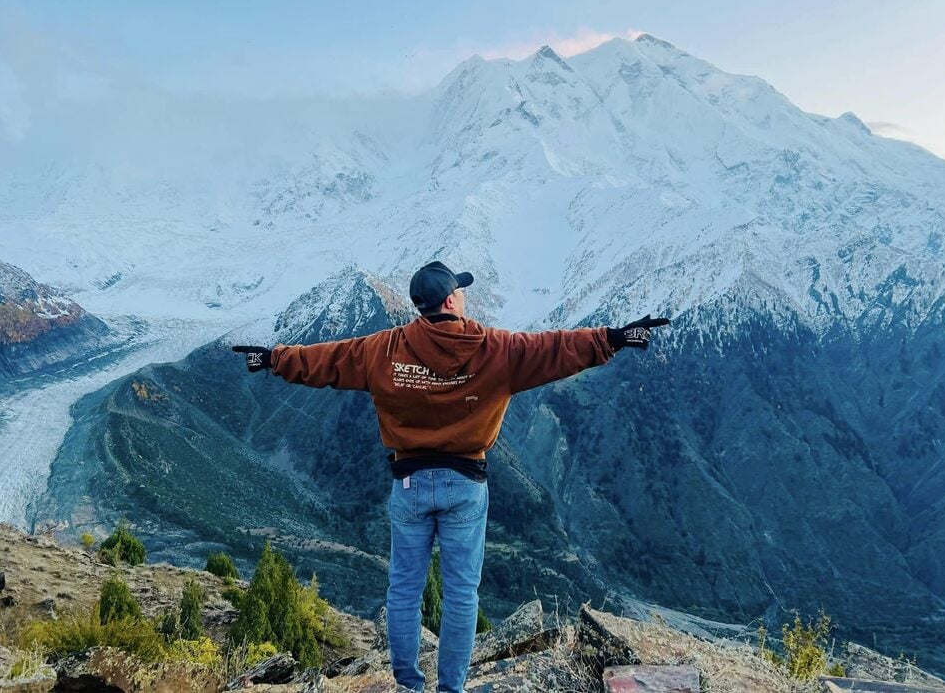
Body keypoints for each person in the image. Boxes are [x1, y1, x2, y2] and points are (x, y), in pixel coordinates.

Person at [232, 260, 670, 693]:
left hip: (409, 484)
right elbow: (554, 349)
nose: (464, 294)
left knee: (404, 591)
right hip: (465, 484)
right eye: (460, 289)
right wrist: (613, 338)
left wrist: (272, 358)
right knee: (462, 595)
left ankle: (407, 685)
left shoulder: (383, 349)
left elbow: (325, 360)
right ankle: (451, 689)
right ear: (449, 300)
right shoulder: (496, 348)